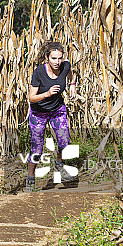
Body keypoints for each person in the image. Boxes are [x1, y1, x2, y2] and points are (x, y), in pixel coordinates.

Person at [25, 41, 76, 192]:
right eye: (53, 58)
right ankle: (30, 177)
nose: (57, 62)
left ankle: (59, 164)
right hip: (39, 113)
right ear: (47, 57)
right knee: (37, 149)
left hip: (57, 109)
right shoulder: (39, 72)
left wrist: (72, 84)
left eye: (60, 58)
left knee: (64, 142)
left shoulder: (65, 66)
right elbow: (31, 98)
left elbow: (70, 72)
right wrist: (46, 94)